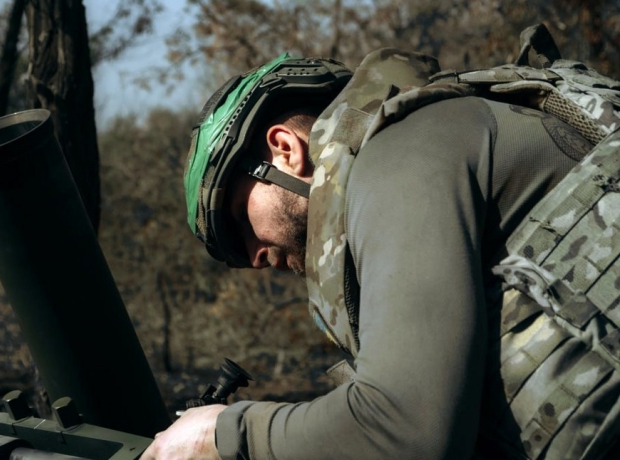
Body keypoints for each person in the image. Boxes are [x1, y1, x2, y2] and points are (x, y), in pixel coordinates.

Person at [141, 45, 620, 460]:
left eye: (238, 225)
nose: (254, 259)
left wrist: (221, 436)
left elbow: (405, 429)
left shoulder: (401, 157)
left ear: (284, 149)